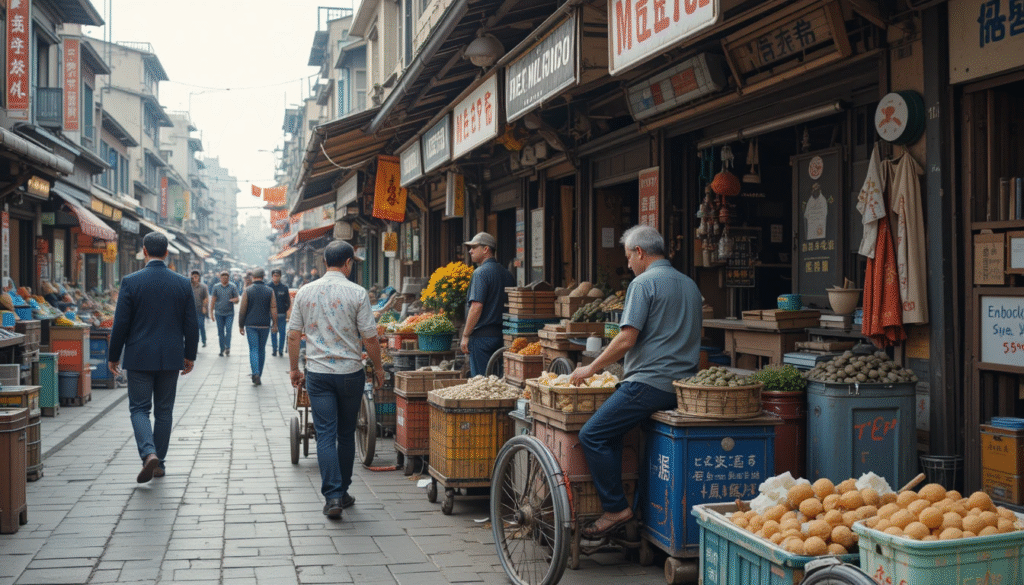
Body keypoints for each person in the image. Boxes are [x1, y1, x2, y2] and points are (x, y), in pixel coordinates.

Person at [568, 225, 702, 539]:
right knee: (614, 433)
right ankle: (638, 509)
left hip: (649, 384)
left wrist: (591, 368)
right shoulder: (690, 284)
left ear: (640, 252)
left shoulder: (643, 283)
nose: (628, 264)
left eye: (629, 256)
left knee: (593, 434)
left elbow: (627, 339)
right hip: (684, 388)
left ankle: (616, 508)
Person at [288, 241, 383, 520]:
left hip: (318, 375)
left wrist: (294, 369)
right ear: (348, 263)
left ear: (324, 261)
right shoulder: (357, 292)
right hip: (350, 374)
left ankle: (332, 497)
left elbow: (293, 334)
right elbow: (370, 337)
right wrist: (378, 368)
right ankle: (342, 491)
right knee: (345, 434)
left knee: (326, 434)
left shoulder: (305, 292)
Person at [107, 232, 199, 483]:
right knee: (164, 410)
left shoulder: (131, 282)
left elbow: (120, 324)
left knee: (139, 408)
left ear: (144, 251)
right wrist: (189, 355)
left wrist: (113, 356)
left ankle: (148, 453)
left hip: (138, 356)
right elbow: (191, 323)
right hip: (170, 356)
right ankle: (160, 463)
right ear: (167, 253)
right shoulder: (182, 283)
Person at [459, 232, 515, 376]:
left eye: (474, 247)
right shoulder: (507, 274)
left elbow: (476, 306)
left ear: (486, 249)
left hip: (482, 339)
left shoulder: (480, 273)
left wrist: (465, 335)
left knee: (482, 385)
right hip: (503, 337)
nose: (470, 251)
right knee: (500, 384)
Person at [238, 268, 277, 386]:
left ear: (253, 277)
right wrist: (274, 323)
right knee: (261, 349)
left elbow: (242, 309)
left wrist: (241, 325)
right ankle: (259, 374)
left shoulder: (247, 291)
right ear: (264, 276)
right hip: (265, 324)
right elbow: (273, 308)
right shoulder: (270, 291)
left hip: (251, 325)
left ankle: (255, 372)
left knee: (253, 349)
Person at [209, 271, 240, 356]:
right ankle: (222, 349)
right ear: (220, 278)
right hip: (219, 313)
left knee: (229, 331)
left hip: (229, 313)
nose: (224, 279)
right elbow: (213, 300)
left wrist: (234, 300)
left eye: (226, 277)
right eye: (223, 277)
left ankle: (228, 347)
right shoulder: (216, 287)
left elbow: (237, 299)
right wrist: (211, 313)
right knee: (220, 332)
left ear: (228, 278)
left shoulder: (233, 287)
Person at [268, 269, 291, 357]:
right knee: (273, 332)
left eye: (277, 275)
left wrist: (284, 309)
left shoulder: (284, 288)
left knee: (282, 333)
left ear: (280, 276)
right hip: (271, 315)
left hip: (281, 314)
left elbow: (288, 302)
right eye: (274, 275)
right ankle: (274, 349)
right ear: (272, 276)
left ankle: (280, 350)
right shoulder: (268, 287)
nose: (276, 277)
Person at [190, 270, 209, 348]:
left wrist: (204, 307)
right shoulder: (188, 286)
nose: (194, 278)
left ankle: (204, 340)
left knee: (201, 326)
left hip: (200, 310)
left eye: (196, 277)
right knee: (193, 328)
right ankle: (195, 343)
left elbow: (206, 298)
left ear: (199, 278)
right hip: (190, 311)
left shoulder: (203, 287)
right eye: (193, 276)